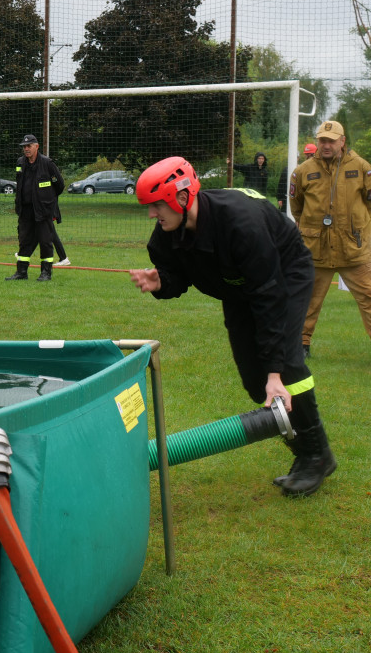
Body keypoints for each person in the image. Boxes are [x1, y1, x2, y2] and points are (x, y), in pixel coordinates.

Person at [130, 156, 335, 497]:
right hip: (238, 285)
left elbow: (269, 298)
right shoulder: (166, 234)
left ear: (181, 197)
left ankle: (315, 455)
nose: (152, 214)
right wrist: (161, 282)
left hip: (283, 272)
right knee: (256, 382)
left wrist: (275, 372)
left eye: (156, 206)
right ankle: (309, 453)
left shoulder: (242, 224)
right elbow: (178, 275)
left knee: (284, 366)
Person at [289, 120, 371, 357]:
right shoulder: (302, 171)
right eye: (322, 140)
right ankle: (301, 346)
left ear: (342, 141)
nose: (326, 145)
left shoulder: (362, 167)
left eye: (331, 141)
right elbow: (297, 208)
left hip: (353, 249)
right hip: (315, 250)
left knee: (369, 298)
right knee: (307, 301)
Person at [6, 133, 64, 281]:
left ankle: (46, 272)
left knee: (45, 241)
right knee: (24, 240)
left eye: (29, 146)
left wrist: (47, 200)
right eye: (24, 147)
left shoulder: (47, 163)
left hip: (43, 210)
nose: (26, 149)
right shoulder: (20, 163)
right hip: (25, 210)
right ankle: (21, 272)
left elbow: (60, 185)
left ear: (36, 146)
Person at [277, 143, 317, 212]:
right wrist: (280, 198)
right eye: (307, 154)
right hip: (290, 198)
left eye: (310, 154)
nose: (308, 156)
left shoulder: (313, 168)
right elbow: (281, 184)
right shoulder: (288, 169)